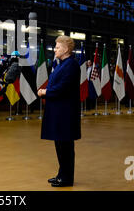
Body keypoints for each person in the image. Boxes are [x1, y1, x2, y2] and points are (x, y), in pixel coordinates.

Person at [38, 35, 81, 187]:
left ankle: (67, 178)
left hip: (65, 113)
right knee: (60, 145)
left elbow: (64, 88)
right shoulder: (62, 64)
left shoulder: (71, 65)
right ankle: (61, 174)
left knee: (66, 147)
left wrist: (45, 92)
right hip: (59, 112)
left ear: (66, 49)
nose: (54, 49)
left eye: (57, 46)